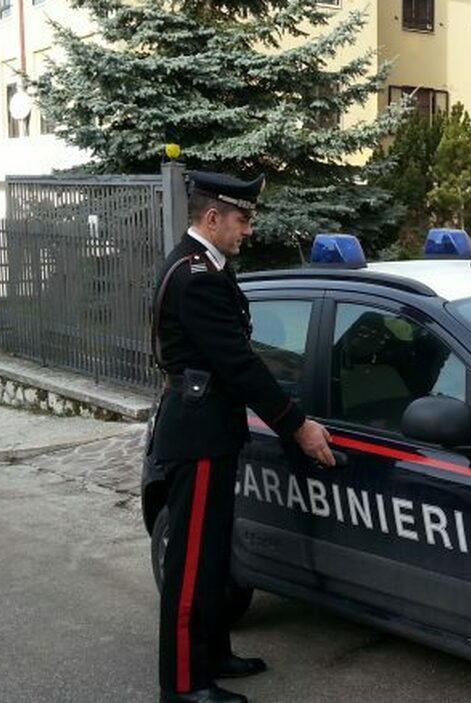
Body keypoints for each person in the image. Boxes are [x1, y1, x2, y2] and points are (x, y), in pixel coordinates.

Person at [148, 170, 335, 703]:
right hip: (200, 433)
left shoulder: (205, 266)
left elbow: (236, 355)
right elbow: (239, 364)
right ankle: (184, 685)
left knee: (212, 556)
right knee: (190, 565)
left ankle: (212, 655)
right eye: (242, 219)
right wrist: (295, 424)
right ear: (213, 218)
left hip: (209, 424)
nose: (248, 229)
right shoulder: (197, 276)